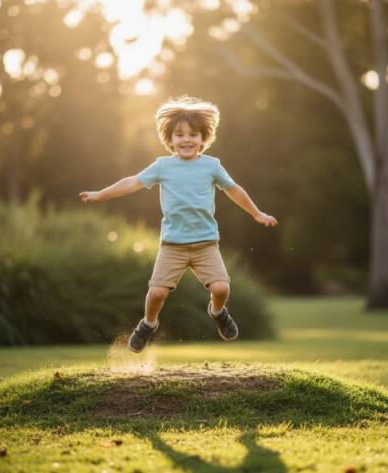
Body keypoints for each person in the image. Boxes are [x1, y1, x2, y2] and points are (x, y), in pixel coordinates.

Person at [79, 96, 277, 353]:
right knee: (157, 294)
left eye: (193, 134)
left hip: (206, 244)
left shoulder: (211, 166)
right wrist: (99, 194)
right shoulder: (163, 166)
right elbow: (131, 182)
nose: (186, 139)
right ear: (169, 140)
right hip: (173, 246)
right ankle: (148, 324)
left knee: (221, 287)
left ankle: (217, 312)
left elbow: (234, 190)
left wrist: (257, 213)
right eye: (179, 134)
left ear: (203, 138)